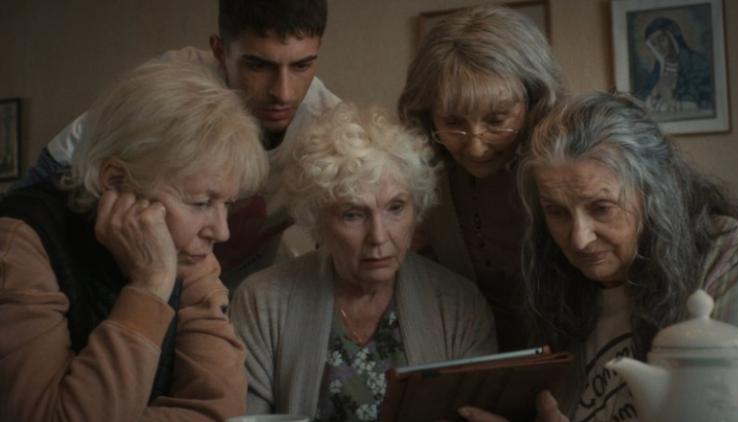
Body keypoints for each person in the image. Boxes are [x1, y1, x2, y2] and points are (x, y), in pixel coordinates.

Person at [0, 59, 269, 421]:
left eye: (226, 204)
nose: (222, 232)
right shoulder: (19, 243)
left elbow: (220, 410)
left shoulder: (189, 253)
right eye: (201, 203)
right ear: (115, 182)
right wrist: (150, 285)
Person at [10, 0, 340, 290]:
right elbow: (31, 202)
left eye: (302, 65)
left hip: (234, 299)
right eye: (258, 65)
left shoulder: (332, 127)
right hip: (136, 284)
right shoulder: (167, 90)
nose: (283, 92)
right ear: (220, 50)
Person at [460, 92, 738, 422]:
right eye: (557, 212)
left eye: (601, 208)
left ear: (655, 194)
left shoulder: (727, 256)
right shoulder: (557, 282)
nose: (579, 239)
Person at [230, 104, 497, 421]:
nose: (379, 237)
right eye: (353, 214)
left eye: (395, 208)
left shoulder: (459, 307)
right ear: (318, 219)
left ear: (416, 207)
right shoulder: (263, 302)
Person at [397, 4, 565, 351]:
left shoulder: (568, 170)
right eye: (453, 122)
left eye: (497, 120)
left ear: (535, 101)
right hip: (472, 361)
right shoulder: (422, 179)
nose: (475, 147)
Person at [641, 17, 712, 113]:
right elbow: (645, 97)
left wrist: (672, 100)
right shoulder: (659, 66)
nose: (659, 47)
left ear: (673, 37)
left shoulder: (696, 61)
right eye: (654, 44)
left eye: (662, 39)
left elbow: (702, 98)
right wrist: (655, 91)